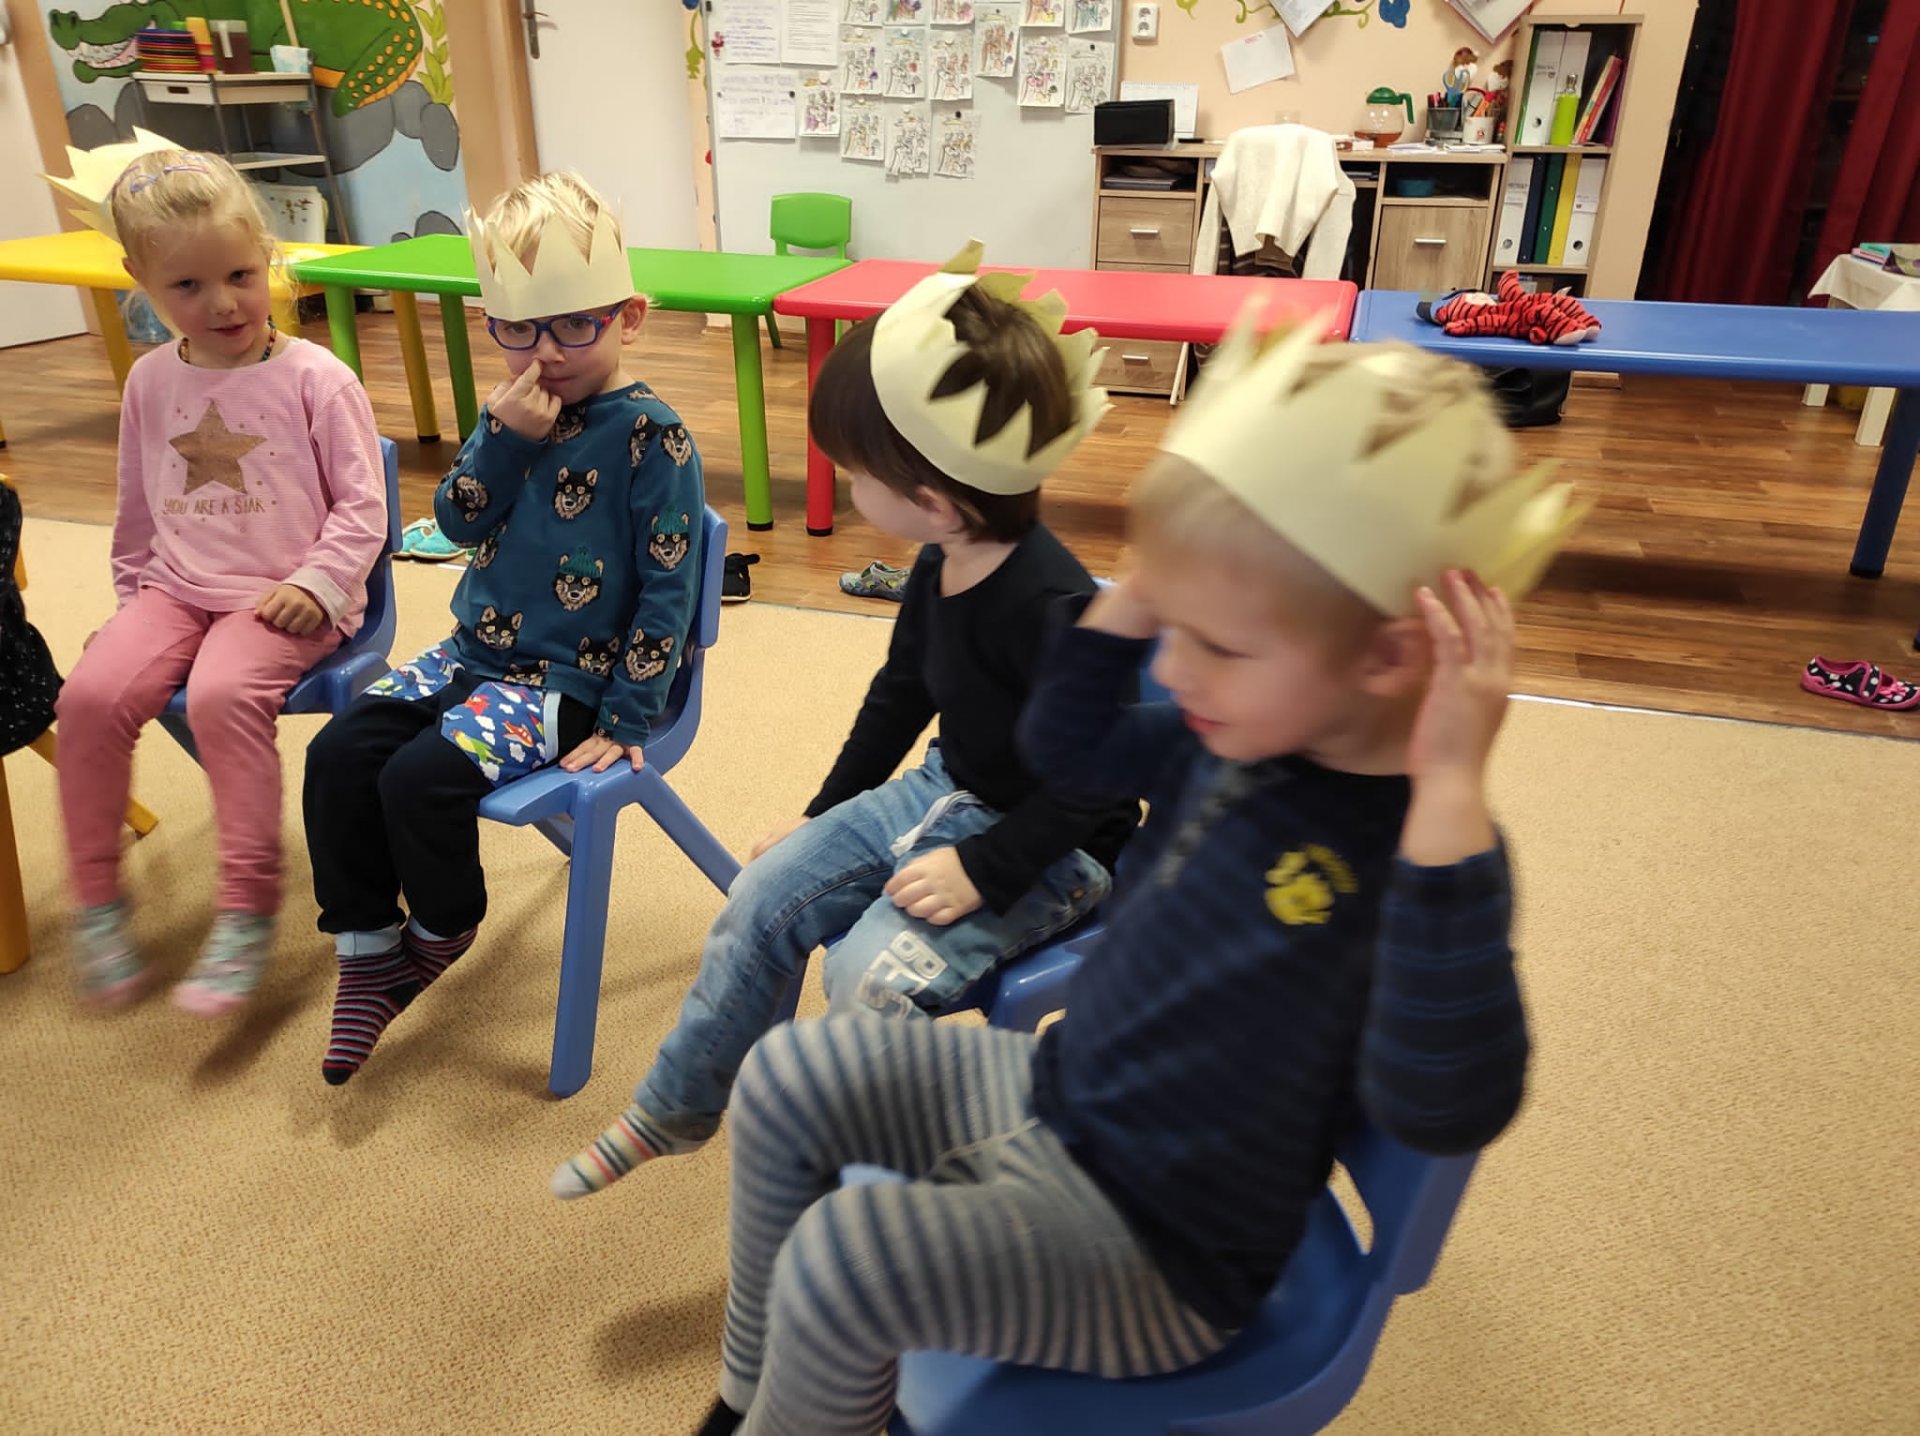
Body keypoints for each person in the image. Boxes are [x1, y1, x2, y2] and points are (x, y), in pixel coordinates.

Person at [690, 326, 1590, 1436]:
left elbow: (1448, 1104)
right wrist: (1137, 599)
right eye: (1176, 630)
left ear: (1391, 658)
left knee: (850, 1258)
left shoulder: (1426, 858)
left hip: (1169, 1243)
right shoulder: (1235, 736)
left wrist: (1451, 803)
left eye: (1219, 644)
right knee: (788, 1074)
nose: (1174, 665)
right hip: (1067, 1099)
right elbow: (1064, 750)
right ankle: (751, 1395)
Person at [550, 244, 1135, 1200]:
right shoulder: (943, 558)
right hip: (950, 789)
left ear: (933, 502)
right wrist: (826, 811)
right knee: (760, 894)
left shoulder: (1055, 611)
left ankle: (873, 1197)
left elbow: (1097, 784)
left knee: (869, 979)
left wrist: (986, 868)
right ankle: (675, 1109)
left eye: (858, 474)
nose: (847, 487)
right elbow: (899, 696)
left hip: (1055, 847)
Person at [301, 172, 703, 1085]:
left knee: (416, 781)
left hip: (569, 684)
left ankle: (442, 929)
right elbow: (456, 519)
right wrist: (504, 436)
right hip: (468, 655)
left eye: (574, 325)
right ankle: (367, 949)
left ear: (629, 316)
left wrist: (629, 716)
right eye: (517, 328)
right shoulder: (513, 410)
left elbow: (669, 592)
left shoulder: (655, 436)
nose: (545, 352)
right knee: (339, 754)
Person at [45, 136, 386, 1015]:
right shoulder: (150, 381)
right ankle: (96, 898)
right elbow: (137, 509)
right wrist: (131, 606)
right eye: (188, 286)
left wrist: (318, 583)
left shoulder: (319, 378)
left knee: (223, 696)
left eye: (239, 274)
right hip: (175, 590)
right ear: (140, 282)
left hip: (289, 598)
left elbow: (364, 510)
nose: (223, 302)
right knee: (87, 696)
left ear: (265, 255)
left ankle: (245, 905)